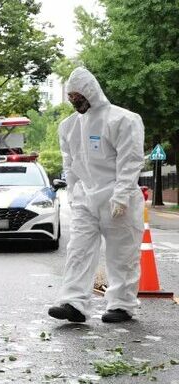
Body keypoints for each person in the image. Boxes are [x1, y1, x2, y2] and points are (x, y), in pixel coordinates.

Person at [48, 67, 145, 324]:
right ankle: (73, 303)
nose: (75, 102)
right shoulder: (68, 126)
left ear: (91, 91)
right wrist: (73, 192)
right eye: (71, 98)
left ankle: (122, 305)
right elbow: (70, 163)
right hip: (86, 199)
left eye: (79, 96)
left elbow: (130, 160)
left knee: (122, 254)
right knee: (78, 250)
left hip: (117, 197)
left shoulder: (123, 120)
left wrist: (122, 195)